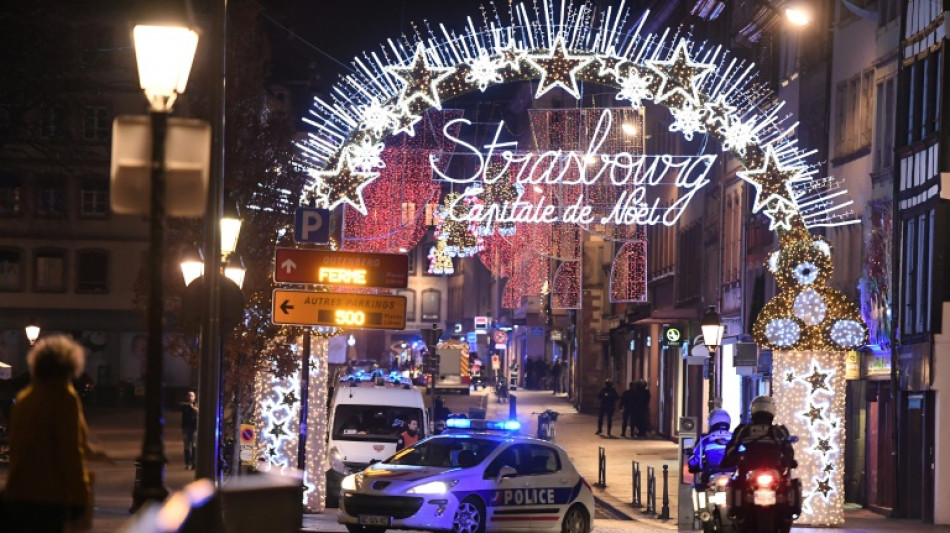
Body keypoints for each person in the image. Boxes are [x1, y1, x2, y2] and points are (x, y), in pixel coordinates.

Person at [3, 335, 99, 532]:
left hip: (18, 493)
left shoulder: (25, 399)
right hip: (49, 497)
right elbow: (70, 451)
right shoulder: (64, 399)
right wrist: (80, 496)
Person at [721, 396, 797, 471]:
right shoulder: (779, 430)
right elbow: (787, 449)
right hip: (757, 472)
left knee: (790, 481)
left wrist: (728, 459)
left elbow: (732, 447)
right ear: (772, 410)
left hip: (754, 470)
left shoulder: (743, 429)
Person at [688, 409, 734, 487]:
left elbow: (696, 458)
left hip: (711, 475)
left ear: (711, 423)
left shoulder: (705, 439)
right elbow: (744, 453)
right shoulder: (734, 437)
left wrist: (691, 463)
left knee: (697, 490)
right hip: (732, 474)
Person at [180, 389, 198, 470]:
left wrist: (193, 408)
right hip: (186, 427)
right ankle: (187, 463)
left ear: (195, 397)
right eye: (189, 396)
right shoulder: (184, 406)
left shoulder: (197, 405)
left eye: (192, 396)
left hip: (194, 428)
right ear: (187, 397)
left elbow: (199, 412)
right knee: (187, 446)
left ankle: (194, 463)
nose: (190, 397)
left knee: (194, 445)